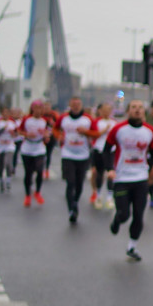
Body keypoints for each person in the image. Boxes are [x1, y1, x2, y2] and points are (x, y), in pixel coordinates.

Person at [104, 100, 153, 261]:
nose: (137, 111)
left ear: (144, 112)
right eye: (134, 108)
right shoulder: (118, 129)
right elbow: (106, 150)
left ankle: (132, 246)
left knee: (138, 215)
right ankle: (117, 220)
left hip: (141, 178)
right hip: (122, 178)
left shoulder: (149, 130)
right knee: (124, 215)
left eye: (140, 108)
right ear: (128, 111)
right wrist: (109, 169)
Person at [56, 96, 98, 224]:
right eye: (73, 104)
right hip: (67, 154)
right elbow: (55, 128)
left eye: (78, 104)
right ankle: (71, 210)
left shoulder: (88, 119)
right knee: (70, 182)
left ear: (81, 105)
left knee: (79, 184)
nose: (75, 106)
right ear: (70, 105)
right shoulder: (63, 118)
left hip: (83, 155)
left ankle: (75, 201)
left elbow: (96, 134)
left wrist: (86, 132)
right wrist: (59, 137)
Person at [19, 101, 50, 207]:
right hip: (27, 148)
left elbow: (48, 133)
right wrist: (27, 134)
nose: (37, 110)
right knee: (28, 172)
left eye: (40, 108)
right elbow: (19, 131)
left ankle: (37, 192)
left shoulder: (44, 120)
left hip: (39, 148)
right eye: (35, 108)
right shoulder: (26, 119)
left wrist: (46, 136)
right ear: (32, 109)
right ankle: (27, 195)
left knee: (40, 170)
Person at [89, 103, 115, 209]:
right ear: (100, 111)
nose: (106, 112)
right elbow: (92, 134)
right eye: (104, 110)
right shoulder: (96, 122)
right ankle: (98, 195)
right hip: (98, 150)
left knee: (110, 174)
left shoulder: (114, 123)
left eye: (108, 110)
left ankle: (109, 197)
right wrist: (104, 130)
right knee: (98, 173)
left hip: (111, 151)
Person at [0, 108, 17, 193]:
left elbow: (16, 134)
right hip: (0, 146)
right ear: (2, 114)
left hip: (9, 145)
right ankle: (1, 181)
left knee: (8, 162)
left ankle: (8, 180)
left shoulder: (12, 123)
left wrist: (12, 133)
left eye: (7, 113)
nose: (5, 115)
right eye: (4, 113)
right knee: (1, 165)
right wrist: (3, 129)